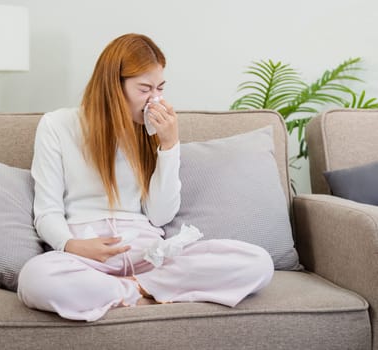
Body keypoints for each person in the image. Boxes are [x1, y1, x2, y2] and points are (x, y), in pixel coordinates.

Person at [17, 33, 273, 322]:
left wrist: (169, 146)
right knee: (34, 278)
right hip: (87, 258)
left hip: (150, 256)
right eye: (145, 89)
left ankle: (136, 289)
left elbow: (161, 215)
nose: (156, 99)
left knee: (257, 263)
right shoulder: (57, 126)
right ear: (114, 86)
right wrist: (71, 245)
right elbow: (47, 211)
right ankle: (138, 293)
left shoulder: (150, 130)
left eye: (160, 88)